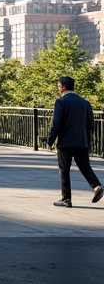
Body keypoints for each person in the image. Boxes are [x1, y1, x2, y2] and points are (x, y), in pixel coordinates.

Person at [46, 74, 104, 207]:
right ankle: (96, 186)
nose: (59, 89)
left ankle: (66, 198)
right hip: (82, 141)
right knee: (85, 166)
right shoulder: (85, 102)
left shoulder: (61, 102)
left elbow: (57, 123)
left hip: (65, 142)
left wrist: (50, 140)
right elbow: (90, 124)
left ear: (63, 87)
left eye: (59, 86)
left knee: (64, 169)